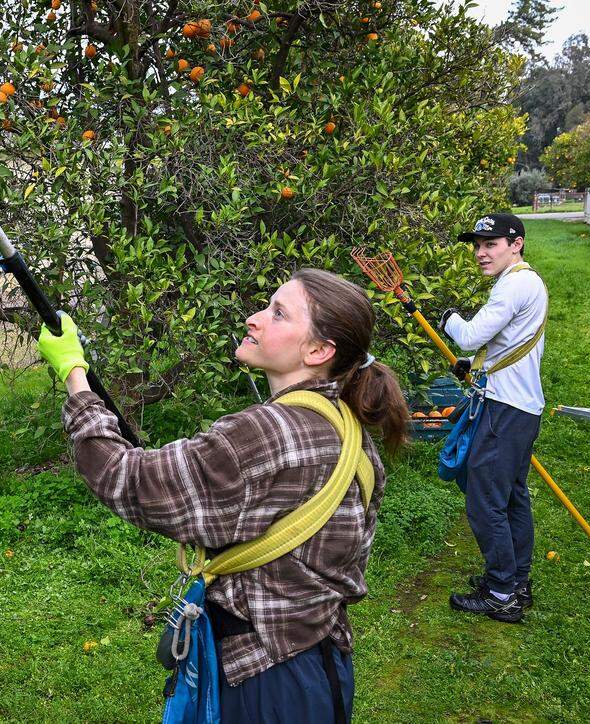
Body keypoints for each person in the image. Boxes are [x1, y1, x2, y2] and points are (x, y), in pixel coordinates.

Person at [38, 269, 409, 722]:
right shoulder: (352, 434)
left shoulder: (263, 435)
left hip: (261, 683)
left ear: (318, 351)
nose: (255, 319)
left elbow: (126, 480)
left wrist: (75, 374)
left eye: (278, 314)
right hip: (323, 664)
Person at [440, 213, 548, 623]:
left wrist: (448, 317)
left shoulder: (516, 283)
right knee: (512, 497)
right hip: (520, 406)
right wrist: (473, 363)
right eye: (478, 245)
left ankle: (502, 593)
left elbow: (469, 333)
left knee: (486, 502)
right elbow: (509, 342)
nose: (481, 253)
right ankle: (516, 580)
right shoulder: (522, 282)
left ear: (516, 244)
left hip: (505, 411)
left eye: (492, 244)